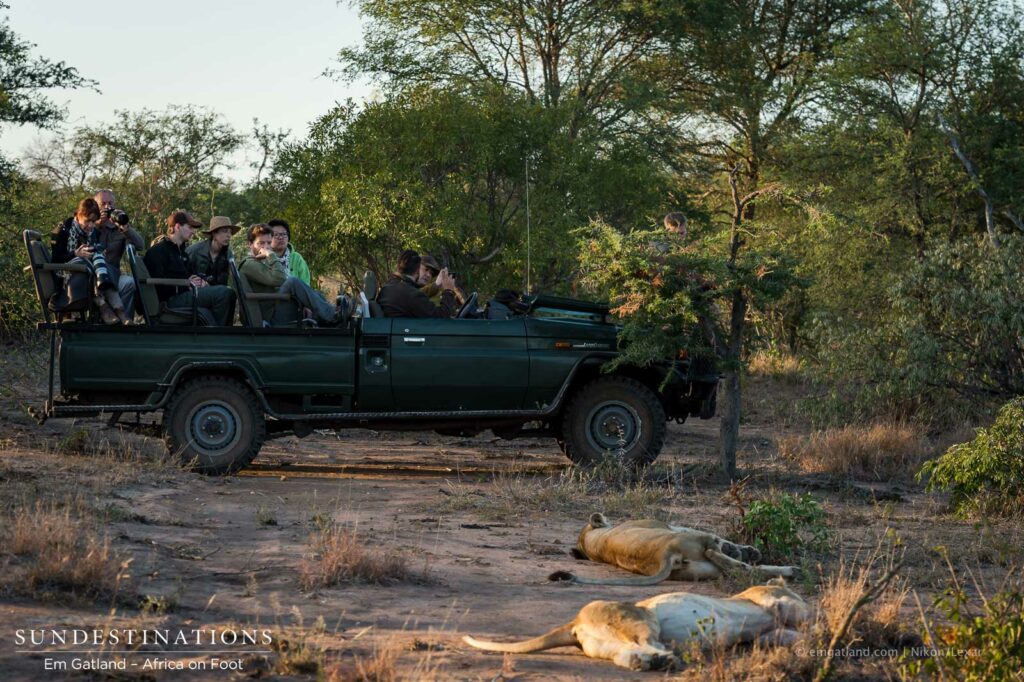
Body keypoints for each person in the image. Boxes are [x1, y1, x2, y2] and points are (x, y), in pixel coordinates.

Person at [143, 210, 236, 326]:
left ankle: (220, 332)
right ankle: (217, 336)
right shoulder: (158, 251)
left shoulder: (182, 253)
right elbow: (158, 284)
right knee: (224, 293)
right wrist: (186, 284)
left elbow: (192, 275)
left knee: (228, 292)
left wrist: (201, 282)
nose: (193, 232)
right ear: (177, 227)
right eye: (190, 227)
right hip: (170, 301)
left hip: (186, 294)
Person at [238, 224, 340, 326]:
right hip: (270, 317)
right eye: (261, 243)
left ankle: (332, 319)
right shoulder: (250, 264)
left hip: (276, 306)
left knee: (316, 294)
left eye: (269, 243)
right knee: (292, 282)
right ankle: (333, 316)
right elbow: (280, 279)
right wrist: (271, 255)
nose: (266, 247)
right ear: (250, 244)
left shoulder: (260, 261)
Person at [51, 198, 129, 324]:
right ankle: (107, 306)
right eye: (87, 221)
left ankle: (116, 309)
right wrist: (75, 254)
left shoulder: (93, 232)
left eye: (94, 221)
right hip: (67, 278)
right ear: (78, 215)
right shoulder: (63, 231)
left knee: (100, 261)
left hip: (88, 276)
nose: (91, 225)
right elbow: (55, 261)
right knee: (93, 263)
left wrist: (98, 252)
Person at [93, 189, 145, 318]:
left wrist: (126, 229)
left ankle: (124, 321)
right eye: (103, 204)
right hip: (92, 277)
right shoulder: (89, 224)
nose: (107, 207)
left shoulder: (118, 227)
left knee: (129, 282)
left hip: (113, 276)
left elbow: (140, 246)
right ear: (96, 207)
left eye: (110, 203)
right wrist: (98, 224)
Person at [378, 249, 459, 318]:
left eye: (431, 273)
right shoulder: (409, 293)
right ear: (417, 269)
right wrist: (448, 291)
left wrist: (437, 284)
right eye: (426, 269)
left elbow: (420, 293)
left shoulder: (392, 285)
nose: (428, 275)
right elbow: (440, 317)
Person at [187, 216, 239, 286]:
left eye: (230, 232)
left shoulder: (228, 254)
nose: (229, 235)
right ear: (214, 233)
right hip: (195, 292)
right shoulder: (194, 251)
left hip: (217, 293)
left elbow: (226, 281)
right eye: (225, 231)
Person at [267, 219, 311, 285]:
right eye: (276, 234)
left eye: (284, 234)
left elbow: (305, 284)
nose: (281, 237)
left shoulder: (296, 258)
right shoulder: (263, 257)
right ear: (268, 238)